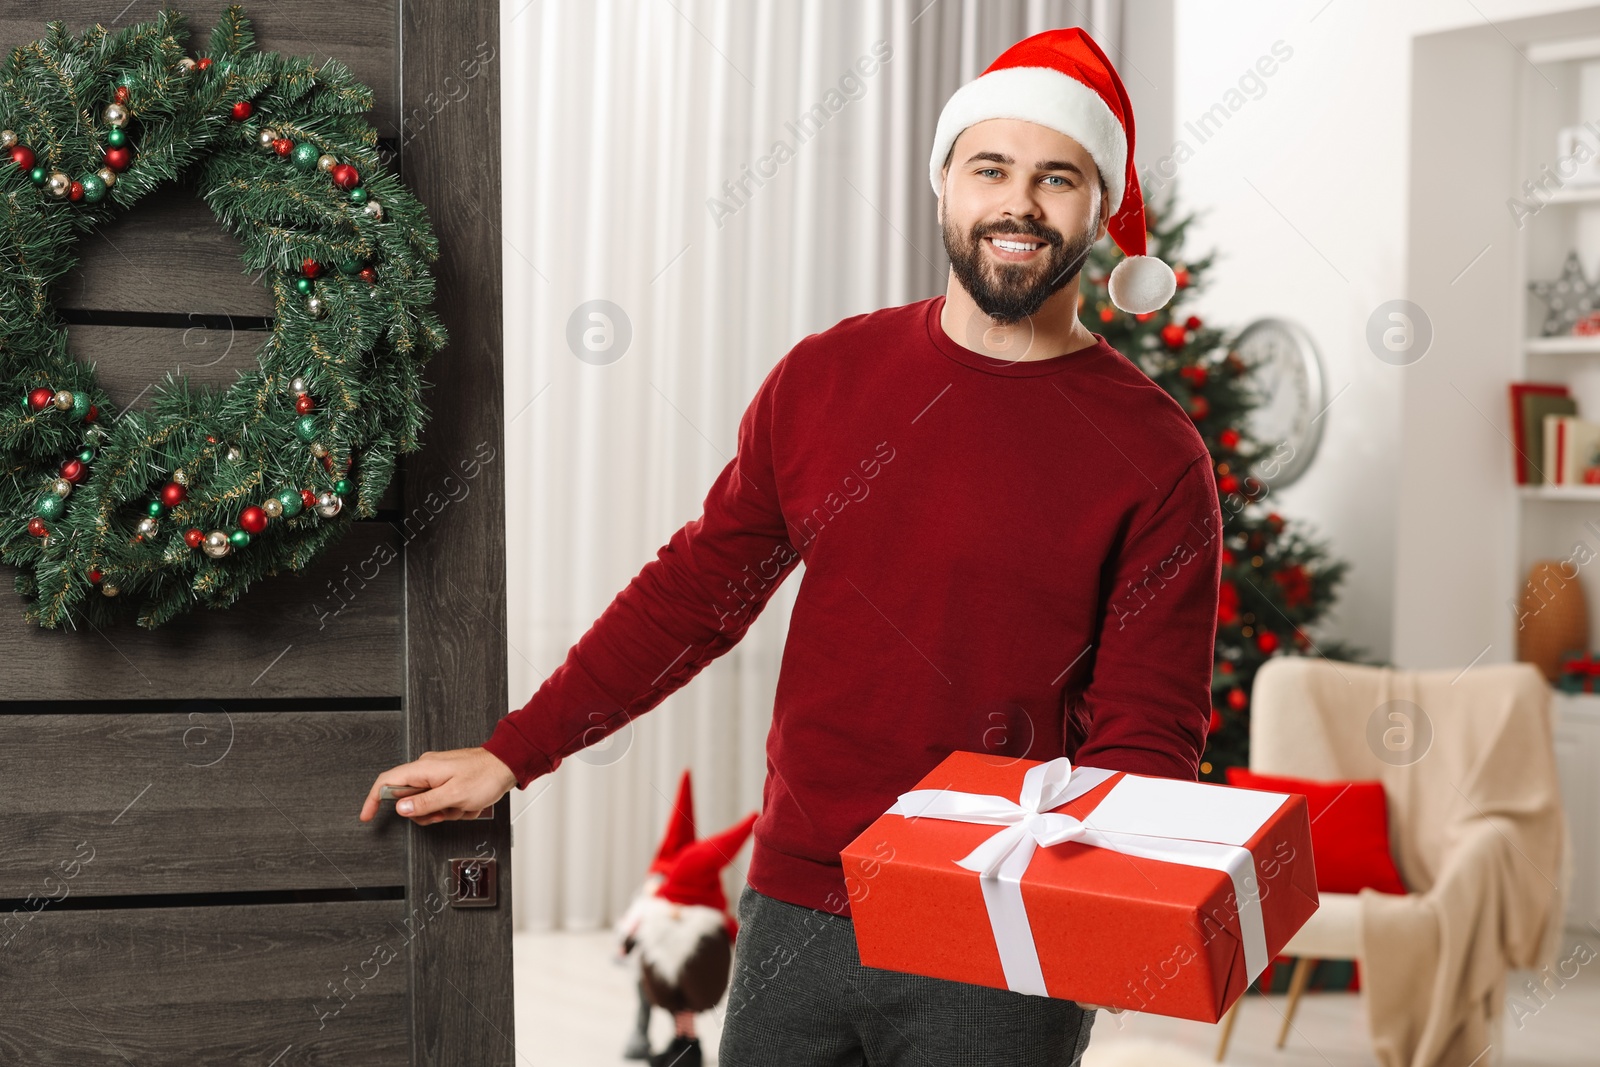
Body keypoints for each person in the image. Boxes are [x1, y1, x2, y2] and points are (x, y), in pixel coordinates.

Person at [360, 26, 1221, 1067]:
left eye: (1057, 177)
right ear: (944, 182)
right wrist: (515, 748)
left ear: (1098, 206)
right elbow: (693, 593)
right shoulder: (827, 378)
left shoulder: (1151, 451)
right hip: (798, 900)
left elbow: (1148, 726)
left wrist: (1104, 913)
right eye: (990, 168)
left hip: (998, 924)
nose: (1018, 205)